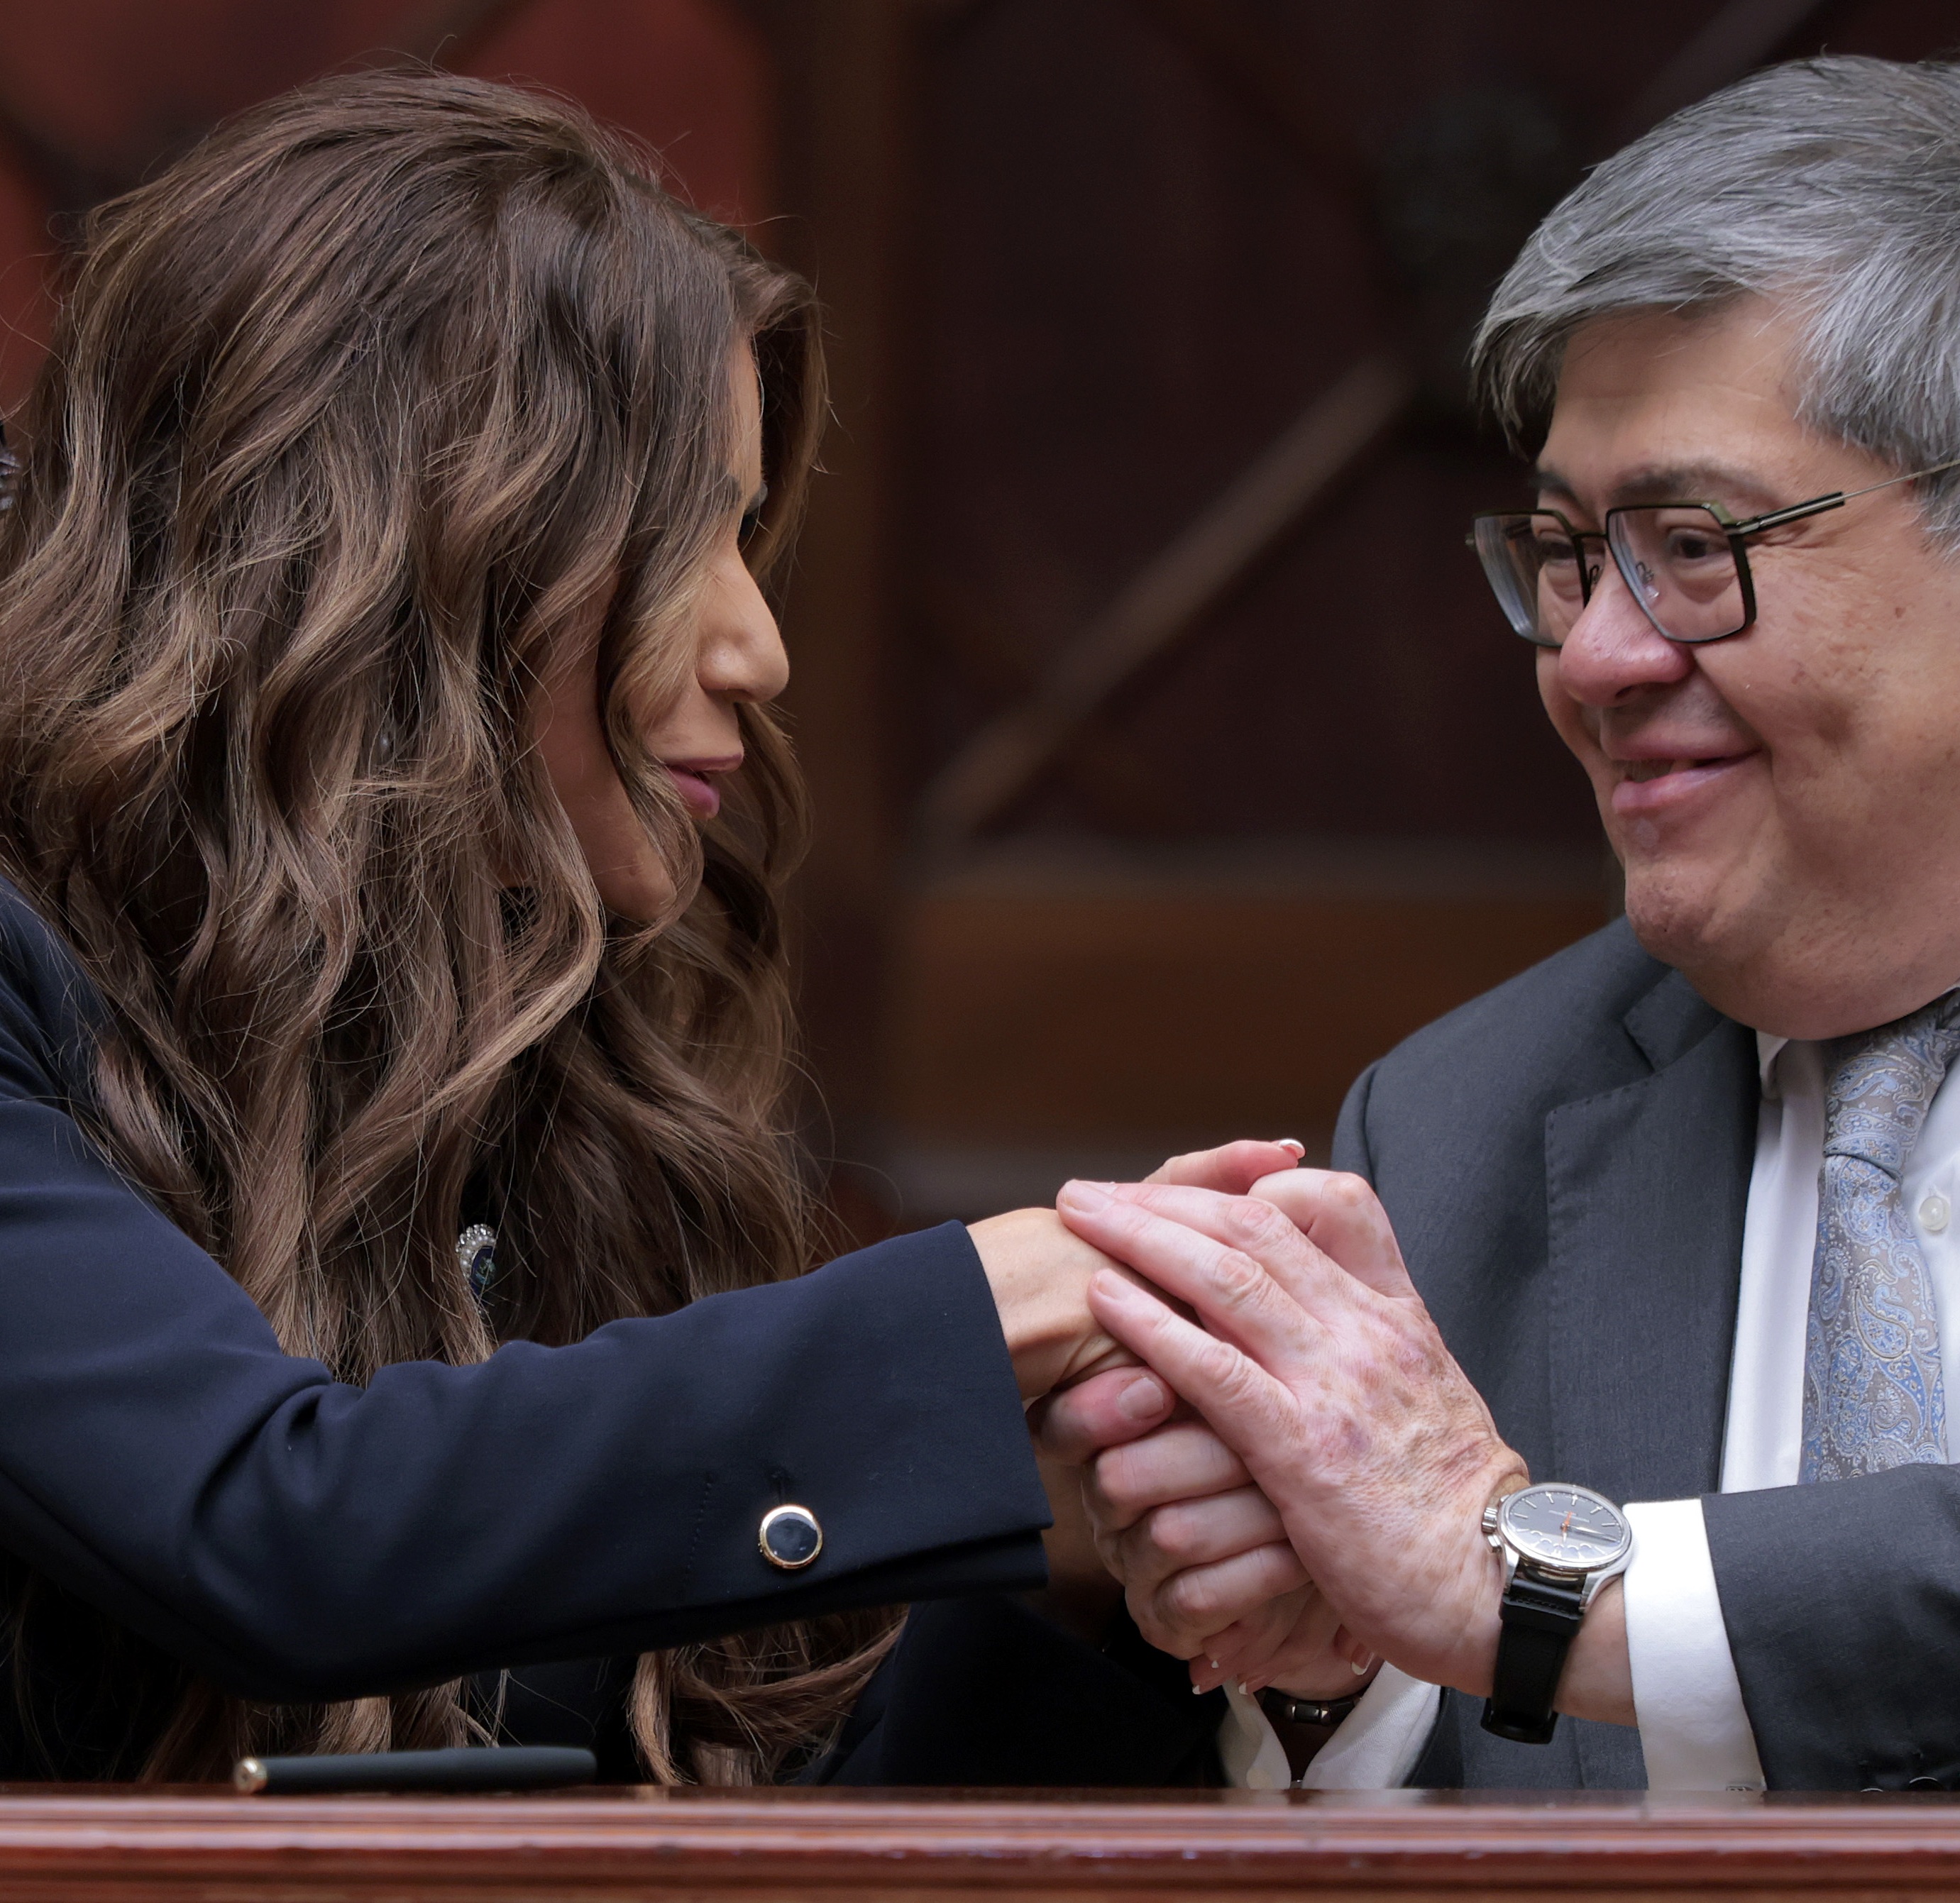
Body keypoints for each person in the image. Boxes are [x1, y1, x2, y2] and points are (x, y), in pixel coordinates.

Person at [1045, 41, 1960, 1792]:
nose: (1595, 658)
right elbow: (1446, 1782)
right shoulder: (1460, 1129)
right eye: (1563, 555)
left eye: (1696, 543)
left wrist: (1535, 1593)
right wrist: (1337, 1669)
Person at [0, 70, 1251, 1785]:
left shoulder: (541, 1061)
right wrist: (1000, 1299)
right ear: (409, 547)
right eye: (690, 539)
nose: (759, 648)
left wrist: (1180, 1586)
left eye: (752, 544)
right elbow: (273, 1526)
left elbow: (779, 1730)